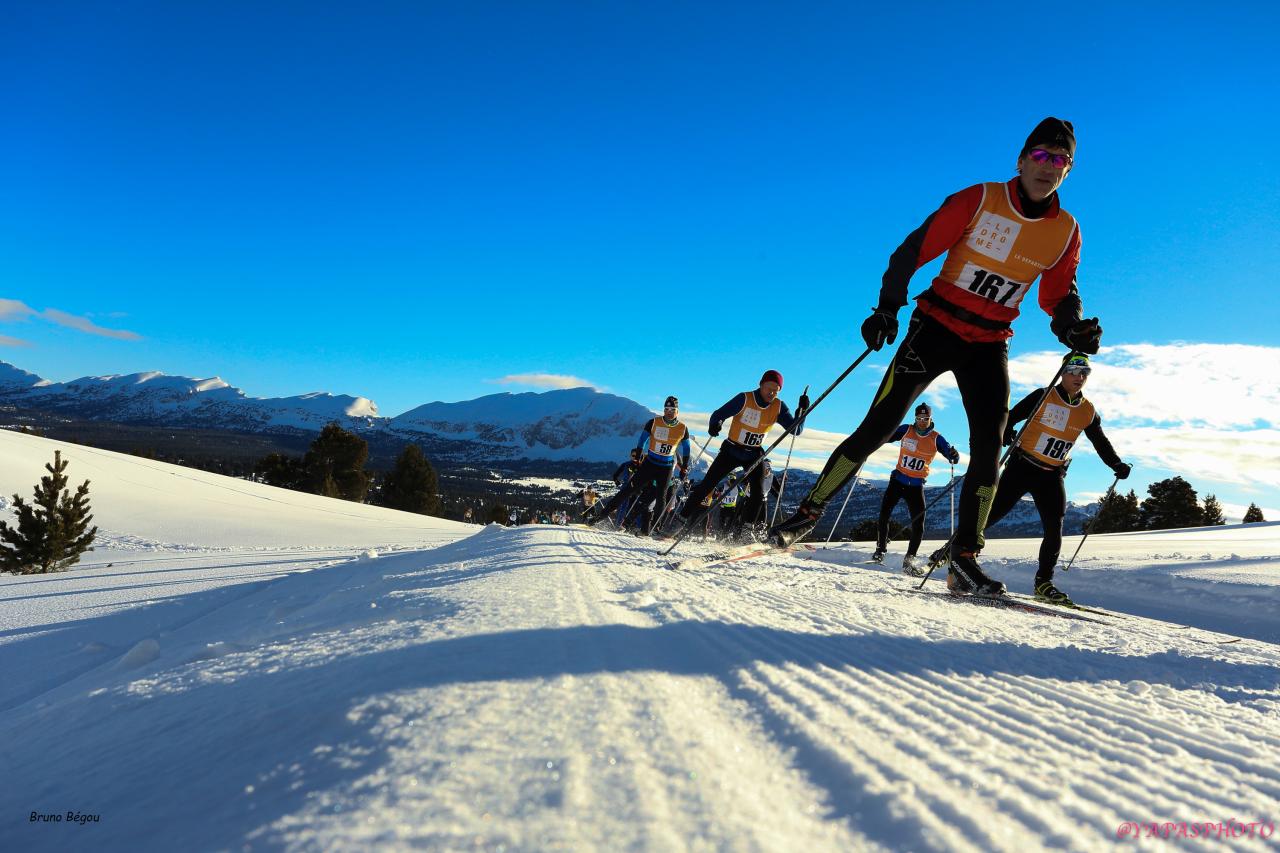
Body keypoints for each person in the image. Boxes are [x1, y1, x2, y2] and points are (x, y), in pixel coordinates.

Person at [770, 118, 1103, 597]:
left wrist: (1074, 327)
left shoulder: (1065, 230)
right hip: (934, 329)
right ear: (1022, 159)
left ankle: (964, 557)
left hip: (989, 344)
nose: (1049, 167)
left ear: (1069, 171)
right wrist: (887, 307)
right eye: (1042, 155)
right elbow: (912, 250)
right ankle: (806, 514)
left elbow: (1058, 295)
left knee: (991, 446)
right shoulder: (980, 198)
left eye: (1061, 160)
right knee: (879, 427)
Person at [982, 354, 1130, 603]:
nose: (1079, 377)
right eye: (1074, 371)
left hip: (1051, 475)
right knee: (993, 513)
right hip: (1022, 466)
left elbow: (1100, 441)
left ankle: (1044, 583)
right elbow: (1011, 415)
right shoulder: (1044, 394)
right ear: (1062, 372)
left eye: (1085, 373)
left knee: (1054, 528)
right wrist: (1007, 431)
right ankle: (957, 550)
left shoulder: (1087, 410)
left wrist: (1115, 463)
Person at [680, 371, 810, 541]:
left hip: (754, 453)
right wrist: (715, 424)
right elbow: (718, 414)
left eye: (776, 391)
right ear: (760, 384)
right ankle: (681, 519)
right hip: (732, 450)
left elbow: (795, 430)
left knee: (758, 491)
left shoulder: (778, 406)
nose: (771, 393)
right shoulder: (745, 399)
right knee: (707, 485)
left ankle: (747, 531)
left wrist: (803, 411)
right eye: (768, 388)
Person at [872, 402, 961, 573]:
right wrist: (876, 437)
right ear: (915, 418)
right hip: (897, 480)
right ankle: (880, 550)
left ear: (930, 418)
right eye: (919, 418)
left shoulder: (936, 438)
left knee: (919, 525)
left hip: (916, 485)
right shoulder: (906, 430)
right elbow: (887, 436)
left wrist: (954, 456)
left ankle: (909, 558)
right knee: (884, 515)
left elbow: (951, 455)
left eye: (925, 418)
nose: (922, 421)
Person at [588, 395, 692, 535]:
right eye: (666, 409)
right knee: (627, 490)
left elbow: (687, 448)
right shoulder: (654, 422)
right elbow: (643, 439)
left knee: (661, 497)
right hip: (650, 464)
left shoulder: (682, 428)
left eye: (672, 409)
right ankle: (600, 517)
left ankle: (657, 528)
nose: (669, 412)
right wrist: (638, 455)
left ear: (677, 411)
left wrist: (684, 466)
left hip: (666, 467)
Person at [612, 448, 643, 527]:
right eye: (633, 455)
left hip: (637, 488)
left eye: (637, 456)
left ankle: (637, 527)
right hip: (626, 486)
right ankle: (619, 525)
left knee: (636, 507)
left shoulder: (642, 466)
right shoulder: (626, 464)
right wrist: (616, 481)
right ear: (630, 455)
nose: (635, 458)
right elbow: (615, 475)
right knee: (623, 506)